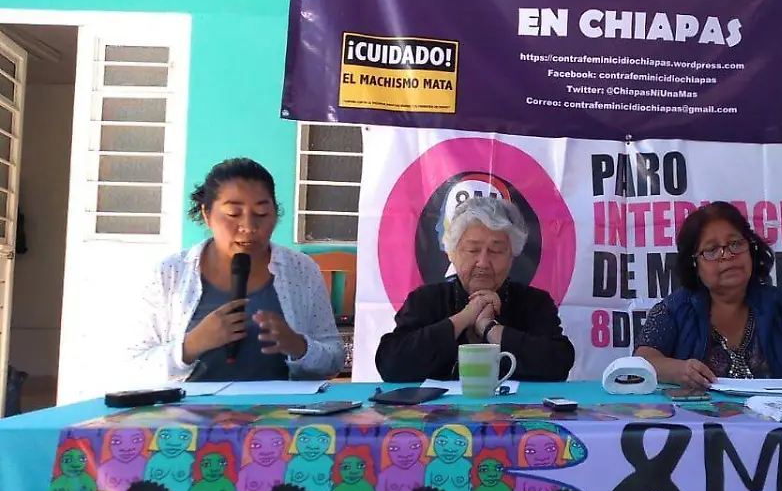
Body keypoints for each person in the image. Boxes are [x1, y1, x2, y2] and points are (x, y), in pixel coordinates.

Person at [130, 158, 344, 382]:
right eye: (233, 213)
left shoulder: (301, 269)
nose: (249, 227)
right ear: (207, 214)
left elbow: (334, 360)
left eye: (262, 213)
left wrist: (299, 346)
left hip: (277, 404)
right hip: (189, 404)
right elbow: (135, 365)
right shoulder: (170, 273)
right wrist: (192, 345)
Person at [633, 201, 782, 390]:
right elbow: (641, 362)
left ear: (751, 249)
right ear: (694, 263)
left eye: (735, 244)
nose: (727, 255)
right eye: (712, 250)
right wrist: (676, 370)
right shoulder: (673, 310)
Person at [375, 196, 574, 382]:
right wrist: (464, 318)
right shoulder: (425, 300)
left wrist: (489, 327)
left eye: (496, 251)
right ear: (452, 254)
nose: (483, 262)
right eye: (472, 250)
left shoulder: (534, 303)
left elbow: (559, 363)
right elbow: (391, 364)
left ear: (512, 257)